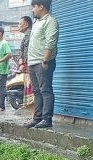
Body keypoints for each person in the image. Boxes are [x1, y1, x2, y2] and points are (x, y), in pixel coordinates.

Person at [25, 0, 59, 129]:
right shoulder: (37, 22)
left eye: (34, 7)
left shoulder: (50, 21)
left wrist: (45, 60)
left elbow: (50, 42)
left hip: (42, 62)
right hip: (32, 62)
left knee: (45, 90)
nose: (32, 9)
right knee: (36, 91)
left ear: (41, 6)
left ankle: (47, 119)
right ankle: (37, 118)